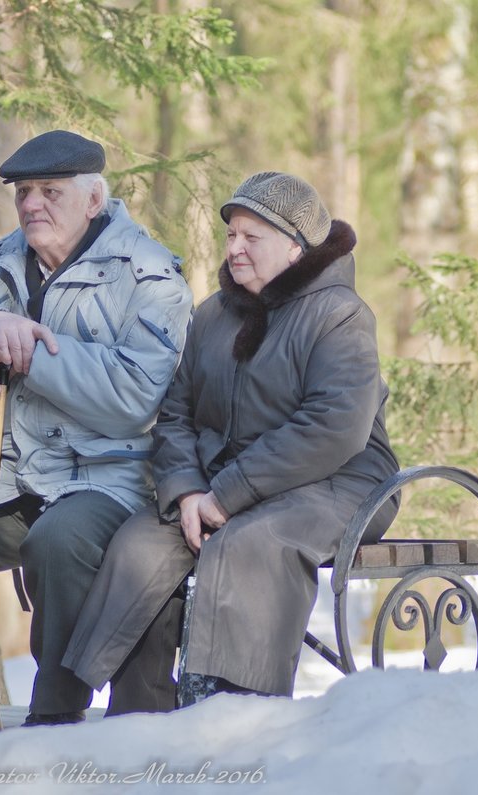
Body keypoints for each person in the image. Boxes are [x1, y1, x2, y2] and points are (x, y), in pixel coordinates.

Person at [0, 130, 193, 771]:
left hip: (111, 481)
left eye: (51, 192)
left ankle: (56, 717)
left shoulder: (150, 274)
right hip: (13, 473)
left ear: (95, 199)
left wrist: (29, 350)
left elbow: (136, 397)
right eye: (24, 193)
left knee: (60, 540)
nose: (33, 206)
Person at [63, 171, 399, 713]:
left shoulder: (339, 314)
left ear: (295, 246)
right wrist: (188, 492)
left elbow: (335, 426)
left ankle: (232, 712)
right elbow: (175, 416)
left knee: (252, 544)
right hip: (225, 485)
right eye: (230, 236)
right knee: (141, 543)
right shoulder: (213, 316)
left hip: (341, 481)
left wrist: (227, 495)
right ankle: (137, 719)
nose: (235, 248)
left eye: (251, 237)